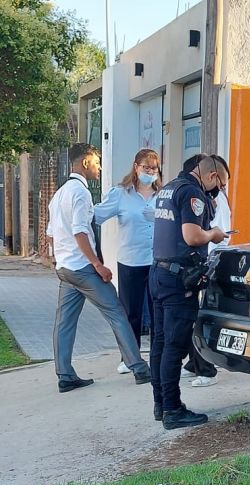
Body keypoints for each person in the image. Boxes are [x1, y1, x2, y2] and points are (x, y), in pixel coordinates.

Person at [48, 143, 150, 393]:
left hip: (66, 268)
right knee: (117, 312)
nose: (99, 167)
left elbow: (50, 234)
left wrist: (58, 261)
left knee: (64, 322)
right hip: (83, 268)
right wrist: (97, 264)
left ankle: (65, 375)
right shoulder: (80, 193)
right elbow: (81, 232)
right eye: (96, 161)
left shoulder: (59, 193)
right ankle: (138, 367)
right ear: (85, 163)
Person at [150, 153, 228, 429]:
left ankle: (161, 404)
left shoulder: (169, 187)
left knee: (160, 343)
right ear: (212, 176)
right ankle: (173, 410)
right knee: (174, 346)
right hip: (178, 280)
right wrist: (214, 234)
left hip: (159, 273)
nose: (220, 189)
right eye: (222, 183)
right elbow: (192, 236)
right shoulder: (192, 192)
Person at [94, 148, 161, 374]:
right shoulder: (121, 193)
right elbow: (97, 215)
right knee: (130, 312)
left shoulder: (161, 195)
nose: (150, 172)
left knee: (156, 311)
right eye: (146, 168)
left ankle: (157, 355)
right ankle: (130, 357)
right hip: (131, 260)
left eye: (154, 168)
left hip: (156, 260)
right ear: (136, 167)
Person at [183, 153, 232, 388]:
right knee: (194, 314)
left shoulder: (211, 198)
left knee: (202, 315)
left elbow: (217, 232)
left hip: (211, 259)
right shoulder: (199, 195)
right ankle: (195, 362)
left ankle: (206, 367)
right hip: (203, 260)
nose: (221, 188)